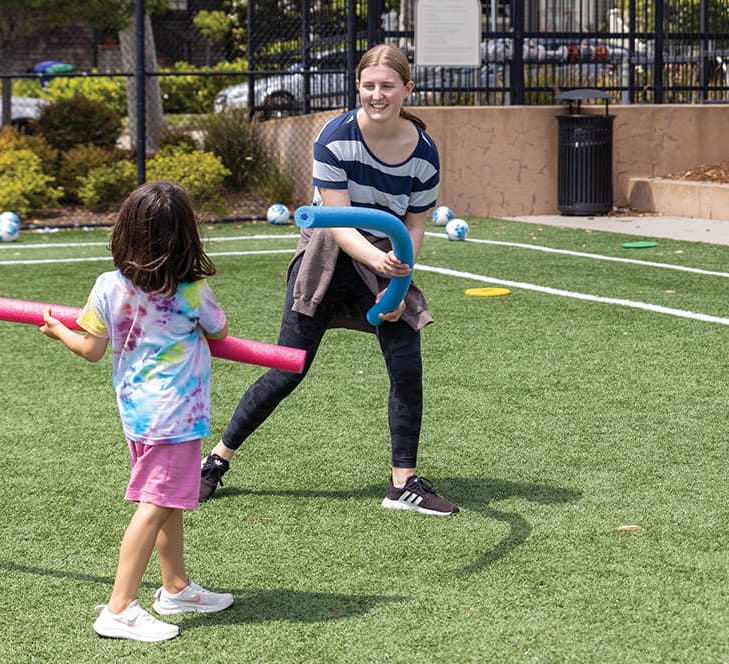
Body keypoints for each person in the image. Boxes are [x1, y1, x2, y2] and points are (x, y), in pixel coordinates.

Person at [199, 44, 458, 517]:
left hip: (387, 254)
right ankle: (216, 461)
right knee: (287, 368)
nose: (377, 95)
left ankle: (403, 484)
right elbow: (337, 222)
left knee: (406, 363)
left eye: (388, 86)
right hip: (328, 253)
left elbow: (416, 224)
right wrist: (381, 266)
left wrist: (398, 278)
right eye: (369, 85)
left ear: (407, 89)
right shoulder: (334, 138)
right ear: (358, 86)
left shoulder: (424, 152)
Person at [39, 180, 234, 642]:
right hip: (177, 419)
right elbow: (220, 330)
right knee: (156, 506)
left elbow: (89, 348)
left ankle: (176, 587)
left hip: (138, 415)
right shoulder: (192, 291)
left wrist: (55, 331)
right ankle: (120, 608)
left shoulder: (108, 285)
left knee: (167, 503)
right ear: (187, 236)